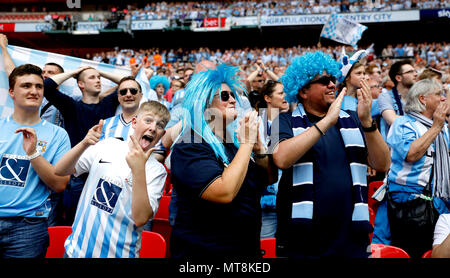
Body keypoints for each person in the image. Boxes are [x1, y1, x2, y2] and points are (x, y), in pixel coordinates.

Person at [271, 51, 390, 258]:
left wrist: (367, 122)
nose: (332, 85)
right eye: (324, 81)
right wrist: (326, 121)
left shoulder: (354, 118)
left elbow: (383, 164)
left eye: (333, 79)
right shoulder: (280, 121)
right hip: (302, 238)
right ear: (303, 91)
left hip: (350, 236)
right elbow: (281, 158)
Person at [169, 64, 273, 258]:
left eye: (233, 94)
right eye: (225, 96)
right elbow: (224, 192)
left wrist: (259, 151)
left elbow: (266, 181)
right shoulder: (189, 147)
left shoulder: (233, 146)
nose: (233, 100)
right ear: (205, 102)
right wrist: (247, 143)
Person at [54, 100, 170, 258]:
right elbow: (60, 170)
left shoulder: (157, 171)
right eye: (148, 120)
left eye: (160, 125)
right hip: (76, 251)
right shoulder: (107, 145)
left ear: (162, 135)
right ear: (134, 123)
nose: (153, 128)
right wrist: (84, 143)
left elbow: (141, 218)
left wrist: (138, 170)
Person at [372, 78, 450, 258]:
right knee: (408, 251)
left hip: (436, 201)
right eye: (439, 94)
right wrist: (436, 127)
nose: (443, 99)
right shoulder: (403, 124)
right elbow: (411, 154)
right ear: (423, 99)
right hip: (406, 202)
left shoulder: (442, 126)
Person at [0, 64, 71, 258]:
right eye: (26, 86)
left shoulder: (58, 134)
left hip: (29, 228)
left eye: (39, 86)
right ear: (11, 92)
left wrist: (33, 153)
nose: (34, 91)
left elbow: (59, 185)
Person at [44, 66, 125, 225]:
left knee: (101, 222)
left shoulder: (108, 103)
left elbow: (128, 83)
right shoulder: (71, 106)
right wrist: (74, 71)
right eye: (92, 78)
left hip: (105, 172)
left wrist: (99, 71)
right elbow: (47, 86)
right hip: (77, 176)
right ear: (81, 84)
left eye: (99, 77)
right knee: (74, 222)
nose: (98, 80)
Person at [253, 80, 289, 239]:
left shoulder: (288, 121)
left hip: (287, 193)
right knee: (266, 244)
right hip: (266, 194)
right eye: (280, 93)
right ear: (268, 98)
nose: (285, 96)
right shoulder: (257, 122)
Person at [377, 60, 418, 141]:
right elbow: (392, 119)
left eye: (415, 71)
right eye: (410, 72)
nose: (416, 74)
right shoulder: (385, 96)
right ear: (398, 78)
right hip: (394, 146)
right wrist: (419, 121)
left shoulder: (419, 96)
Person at [100, 76, 143, 141]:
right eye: (123, 92)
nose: (128, 95)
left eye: (133, 91)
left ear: (141, 96)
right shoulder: (105, 124)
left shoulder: (151, 124)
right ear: (118, 97)